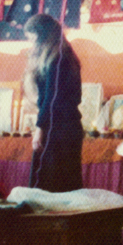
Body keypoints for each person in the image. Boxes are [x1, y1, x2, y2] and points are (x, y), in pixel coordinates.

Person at [22, 13, 84, 193]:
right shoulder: (63, 54)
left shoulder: (59, 58)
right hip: (63, 127)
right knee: (60, 184)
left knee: (50, 185)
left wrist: (40, 129)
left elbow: (52, 97)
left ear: (42, 35)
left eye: (32, 38)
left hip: (59, 129)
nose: (31, 43)